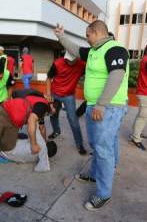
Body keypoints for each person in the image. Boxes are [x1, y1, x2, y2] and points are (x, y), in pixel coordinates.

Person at [54, 20, 129, 210]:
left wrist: (101, 104)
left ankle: (104, 193)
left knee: (104, 149)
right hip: (95, 106)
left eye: (87, 35)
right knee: (98, 144)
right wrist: (61, 36)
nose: (86, 39)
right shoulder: (95, 50)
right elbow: (76, 49)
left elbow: (116, 76)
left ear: (95, 33)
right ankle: (97, 173)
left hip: (107, 108)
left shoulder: (115, 49)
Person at [45, 51, 87, 155]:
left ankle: (79, 144)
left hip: (69, 95)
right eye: (67, 59)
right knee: (53, 114)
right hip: (55, 93)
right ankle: (56, 131)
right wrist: (49, 93)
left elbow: (93, 75)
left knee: (73, 119)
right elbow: (49, 79)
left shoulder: (82, 65)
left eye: (71, 59)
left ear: (76, 58)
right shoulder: (57, 64)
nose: (68, 61)